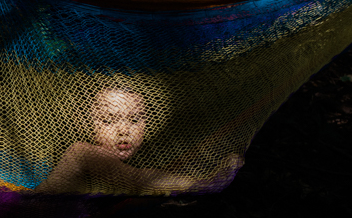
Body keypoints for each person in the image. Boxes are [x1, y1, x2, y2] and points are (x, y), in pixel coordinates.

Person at [36, 83, 243, 195]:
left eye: (135, 119)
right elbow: (138, 181)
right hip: (26, 216)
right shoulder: (82, 153)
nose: (124, 130)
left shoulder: (103, 166)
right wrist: (202, 185)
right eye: (108, 120)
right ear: (85, 124)